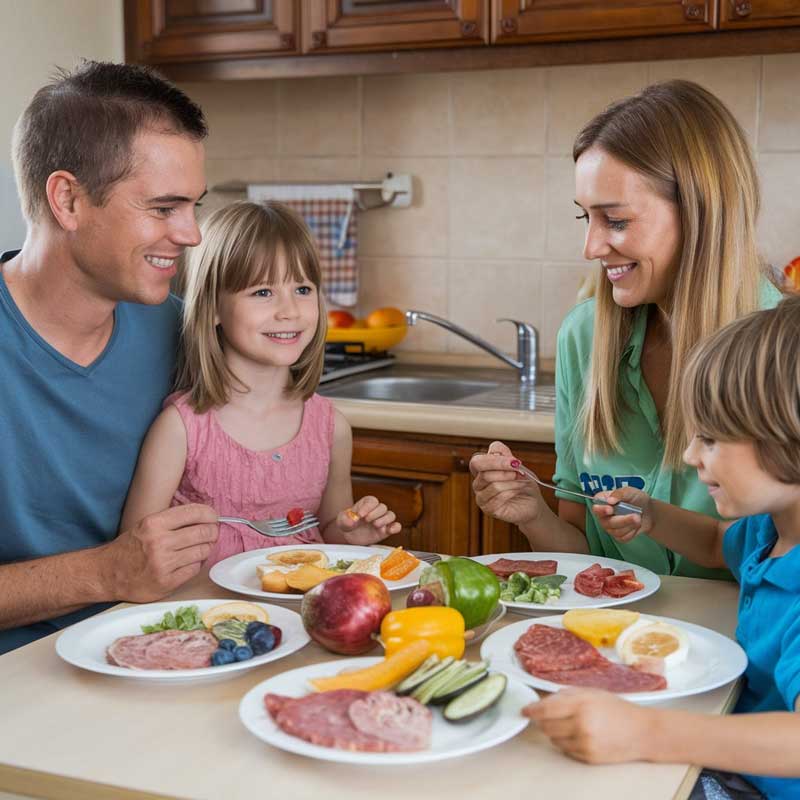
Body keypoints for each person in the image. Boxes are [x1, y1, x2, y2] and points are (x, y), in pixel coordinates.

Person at [470, 80, 782, 579]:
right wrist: (533, 514)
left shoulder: (781, 349)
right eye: (585, 218)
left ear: (700, 213)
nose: (591, 247)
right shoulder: (584, 338)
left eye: (614, 221)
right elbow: (581, 558)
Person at [524, 295, 800, 800]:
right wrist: (652, 515)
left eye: (712, 439)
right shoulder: (771, 529)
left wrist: (643, 733)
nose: (692, 455)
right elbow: (718, 545)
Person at [0, 62, 217, 655]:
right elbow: (123, 569)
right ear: (67, 199)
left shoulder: (177, 330)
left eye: (194, 205)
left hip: (157, 654)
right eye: (164, 207)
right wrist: (107, 573)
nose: (192, 234)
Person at [120, 200, 401, 564]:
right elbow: (134, 554)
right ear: (214, 308)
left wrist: (351, 534)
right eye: (263, 292)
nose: (289, 311)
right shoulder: (181, 430)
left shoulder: (331, 429)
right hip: (208, 614)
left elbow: (329, 529)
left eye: (302, 289)